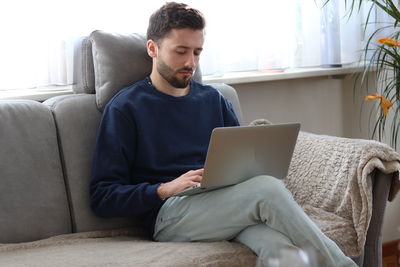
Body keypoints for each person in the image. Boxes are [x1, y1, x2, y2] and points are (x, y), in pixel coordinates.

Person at [90, 2, 356, 266]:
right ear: (153, 48)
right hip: (169, 215)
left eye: (197, 52)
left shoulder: (213, 100)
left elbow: (243, 164)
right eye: (180, 51)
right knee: (267, 190)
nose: (190, 62)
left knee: (283, 251)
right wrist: (164, 189)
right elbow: (102, 197)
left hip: (223, 205)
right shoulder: (126, 107)